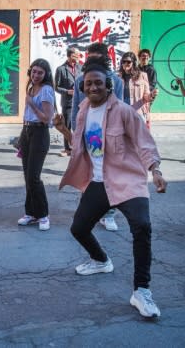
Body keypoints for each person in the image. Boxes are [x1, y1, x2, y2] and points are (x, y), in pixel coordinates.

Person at [54, 55, 167, 319]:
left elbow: (145, 143)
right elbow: (83, 146)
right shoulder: (82, 110)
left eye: (98, 84)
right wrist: (63, 132)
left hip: (127, 181)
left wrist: (156, 171)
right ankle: (101, 260)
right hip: (98, 181)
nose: (93, 87)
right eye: (89, 84)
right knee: (78, 228)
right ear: (83, 87)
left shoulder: (125, 112)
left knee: (142, 226)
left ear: (108, 86)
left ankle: (142, 291)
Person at [71, 42, 124, 232]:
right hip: (87, 135)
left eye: (95, 58)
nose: (91, 61)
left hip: (109, 138)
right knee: (88, 175)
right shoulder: (80, 80)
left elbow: (120, 110)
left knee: (110, 177)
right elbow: (76, 107)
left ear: (105, 58)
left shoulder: (116, 82)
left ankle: (109, 215)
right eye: (89, 57)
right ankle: (87, 212)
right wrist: (74, 135)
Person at [17, 58, 55, 231]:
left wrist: (32, 104)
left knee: (34, 176)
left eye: (40, 72)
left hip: (40, 132)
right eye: (34, 71)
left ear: (46, 74)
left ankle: (43, 215)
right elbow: (27, 116)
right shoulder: (31, 88)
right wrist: (21, 137)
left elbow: (47, 118)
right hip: (27, 132)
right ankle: (31, 213)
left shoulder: (46, 90)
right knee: (27, 175)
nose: (36, 75)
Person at [54, 46, 80, 157]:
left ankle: (79, 147)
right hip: (68, 103)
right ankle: (67, 148)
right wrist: (67, 92)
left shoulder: (81, 68)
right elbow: (56, 87)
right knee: (67, 125)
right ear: (70, 55)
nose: (78, 57)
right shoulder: (61, 69)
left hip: (80, 102)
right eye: (76, 55)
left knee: (79, 126)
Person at [118, 51, 157, 123]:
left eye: (128, 62)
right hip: (122, 113)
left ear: (133, 63)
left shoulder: (142, 76)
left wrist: (152, 95)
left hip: (137, 112)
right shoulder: (117, 77)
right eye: (124, 61)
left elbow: (146, 97)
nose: (126, 63)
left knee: (138, 134)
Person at [138, 49, 158, 129]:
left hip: (147, 96)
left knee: (146, 114)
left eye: (147, 56)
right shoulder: (136, 69)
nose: (145, 57)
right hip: (137, 95)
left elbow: (153, 84)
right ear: (139, 57)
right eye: (143, 56)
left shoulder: (151, 69)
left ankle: (146, 131)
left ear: (149, 58)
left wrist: (143, 91)